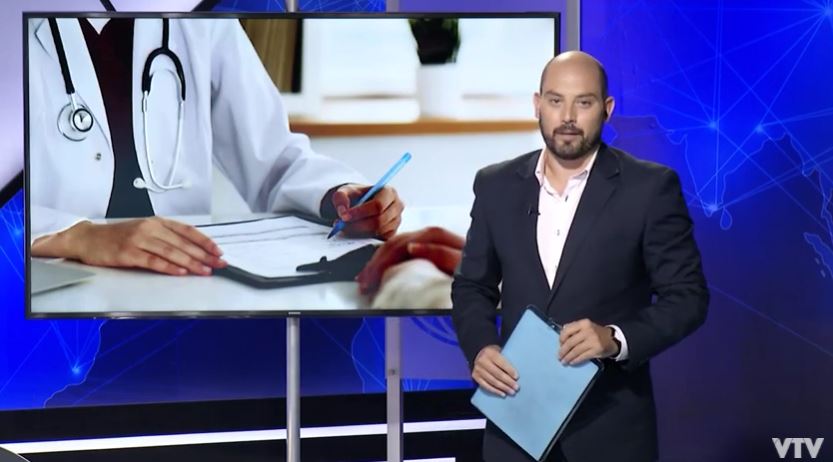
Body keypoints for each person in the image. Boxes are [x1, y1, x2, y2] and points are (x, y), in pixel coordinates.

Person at [450, 51, 709, 461]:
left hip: (610, 430)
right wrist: (481, 348)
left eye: (583, 102)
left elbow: (688, 297)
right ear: (538, 104)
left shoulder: (650, 188)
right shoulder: (495, 185)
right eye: (556, 101)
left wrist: (615, 338)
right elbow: (471, 286)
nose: (568, 116)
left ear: (607, 109)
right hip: (515, 425)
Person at [28, 16, 403, 276]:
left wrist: (339, 195)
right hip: (48, 280)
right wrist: (74, 235)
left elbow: (272, 155)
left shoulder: (203, 19)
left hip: (184, 280)